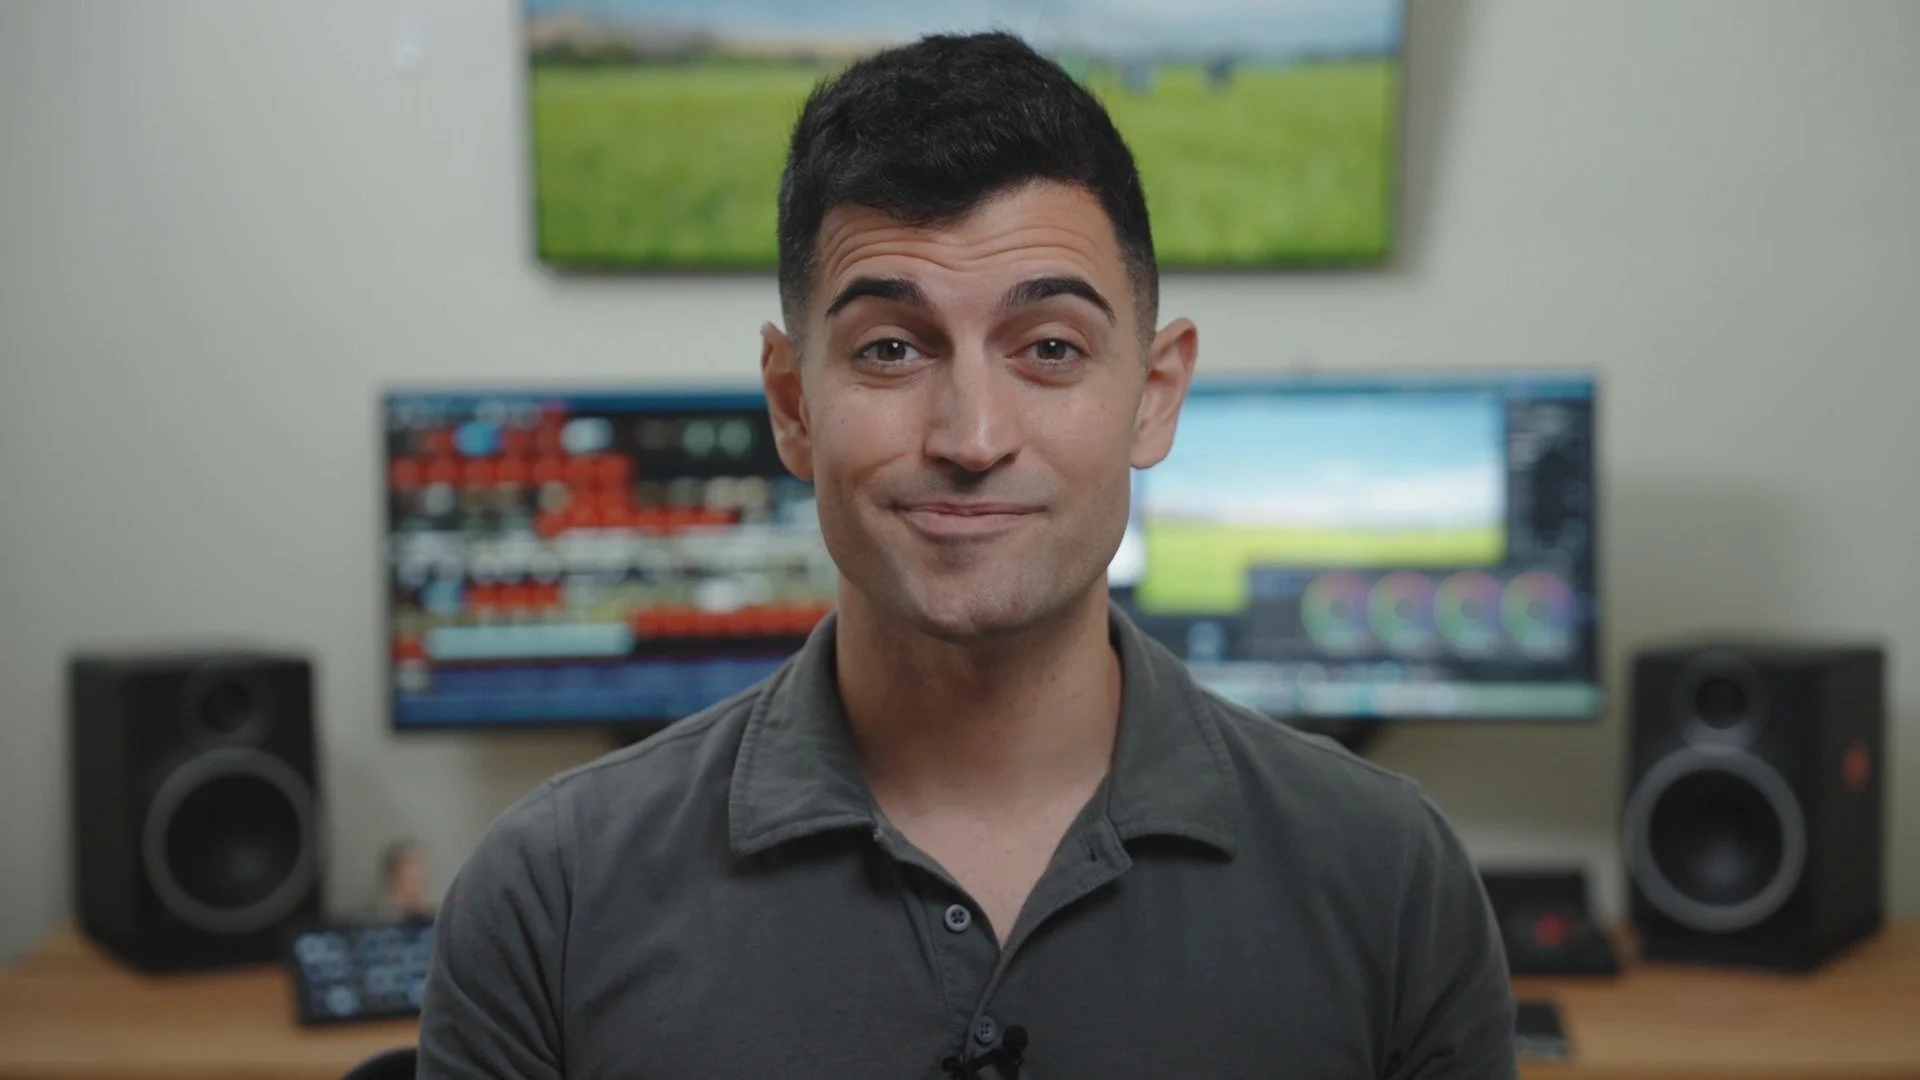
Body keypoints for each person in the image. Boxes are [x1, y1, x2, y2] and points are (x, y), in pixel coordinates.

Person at [419, 32, 1515, 1079]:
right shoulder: (548, 899)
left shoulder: (1392, 882)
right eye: (892, 349)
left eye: (1051, 348)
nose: (973, 437)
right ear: (793, 405)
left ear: (1155, 395)